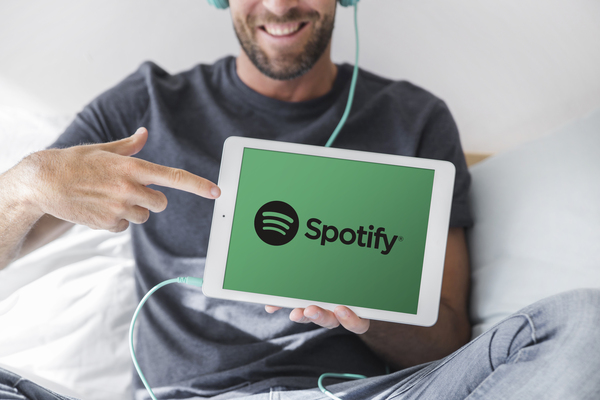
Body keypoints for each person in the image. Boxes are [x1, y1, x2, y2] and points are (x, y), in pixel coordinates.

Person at [1, 1, 598, 399]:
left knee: (582, 321)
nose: (281, 5)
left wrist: (369, 307)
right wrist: (30, 184)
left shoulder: (412, 120)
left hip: (368, 395)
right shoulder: (150, 104)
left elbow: (445, 338)